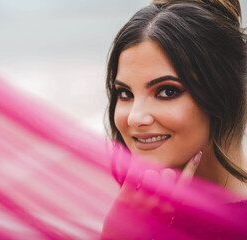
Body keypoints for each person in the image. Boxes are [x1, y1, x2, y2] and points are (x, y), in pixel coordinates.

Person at [101, 0, 247, 238]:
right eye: (125, 93)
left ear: (228, 94)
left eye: (167, 91)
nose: (135, 118)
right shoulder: (138, 212)